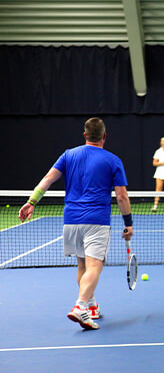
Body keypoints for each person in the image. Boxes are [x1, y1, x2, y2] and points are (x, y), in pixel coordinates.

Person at [18, 117, 133, 330]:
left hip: (71, 220)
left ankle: (91, 306)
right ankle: (80, 306)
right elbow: (122, 196)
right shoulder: (113, 160)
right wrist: (128, 223)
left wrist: (31, 201)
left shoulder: (68, 155)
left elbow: (48, 178)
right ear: (104, 136)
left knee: (82, 266)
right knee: (95, 266)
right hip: (96, 221)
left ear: (85, 135)